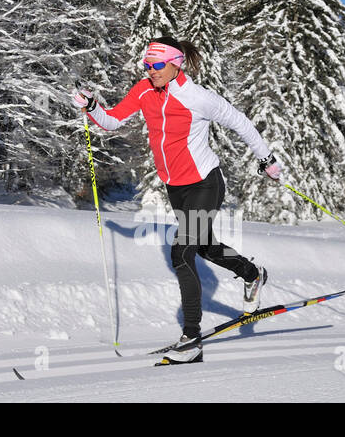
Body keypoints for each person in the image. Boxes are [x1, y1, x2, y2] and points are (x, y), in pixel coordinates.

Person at [71, 36, 283, 364]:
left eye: (157, 65)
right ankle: (252, 274)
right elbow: (113, 121)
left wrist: (266, 158)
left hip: (205, 184)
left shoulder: (197, 97)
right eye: (147, 65)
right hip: (177, 188)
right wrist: (92, 107)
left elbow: (240, 122)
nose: (150, 71)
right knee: (204, 247)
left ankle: (192, 339)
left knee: (181, 252)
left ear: (175, 64)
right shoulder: (143, 90)